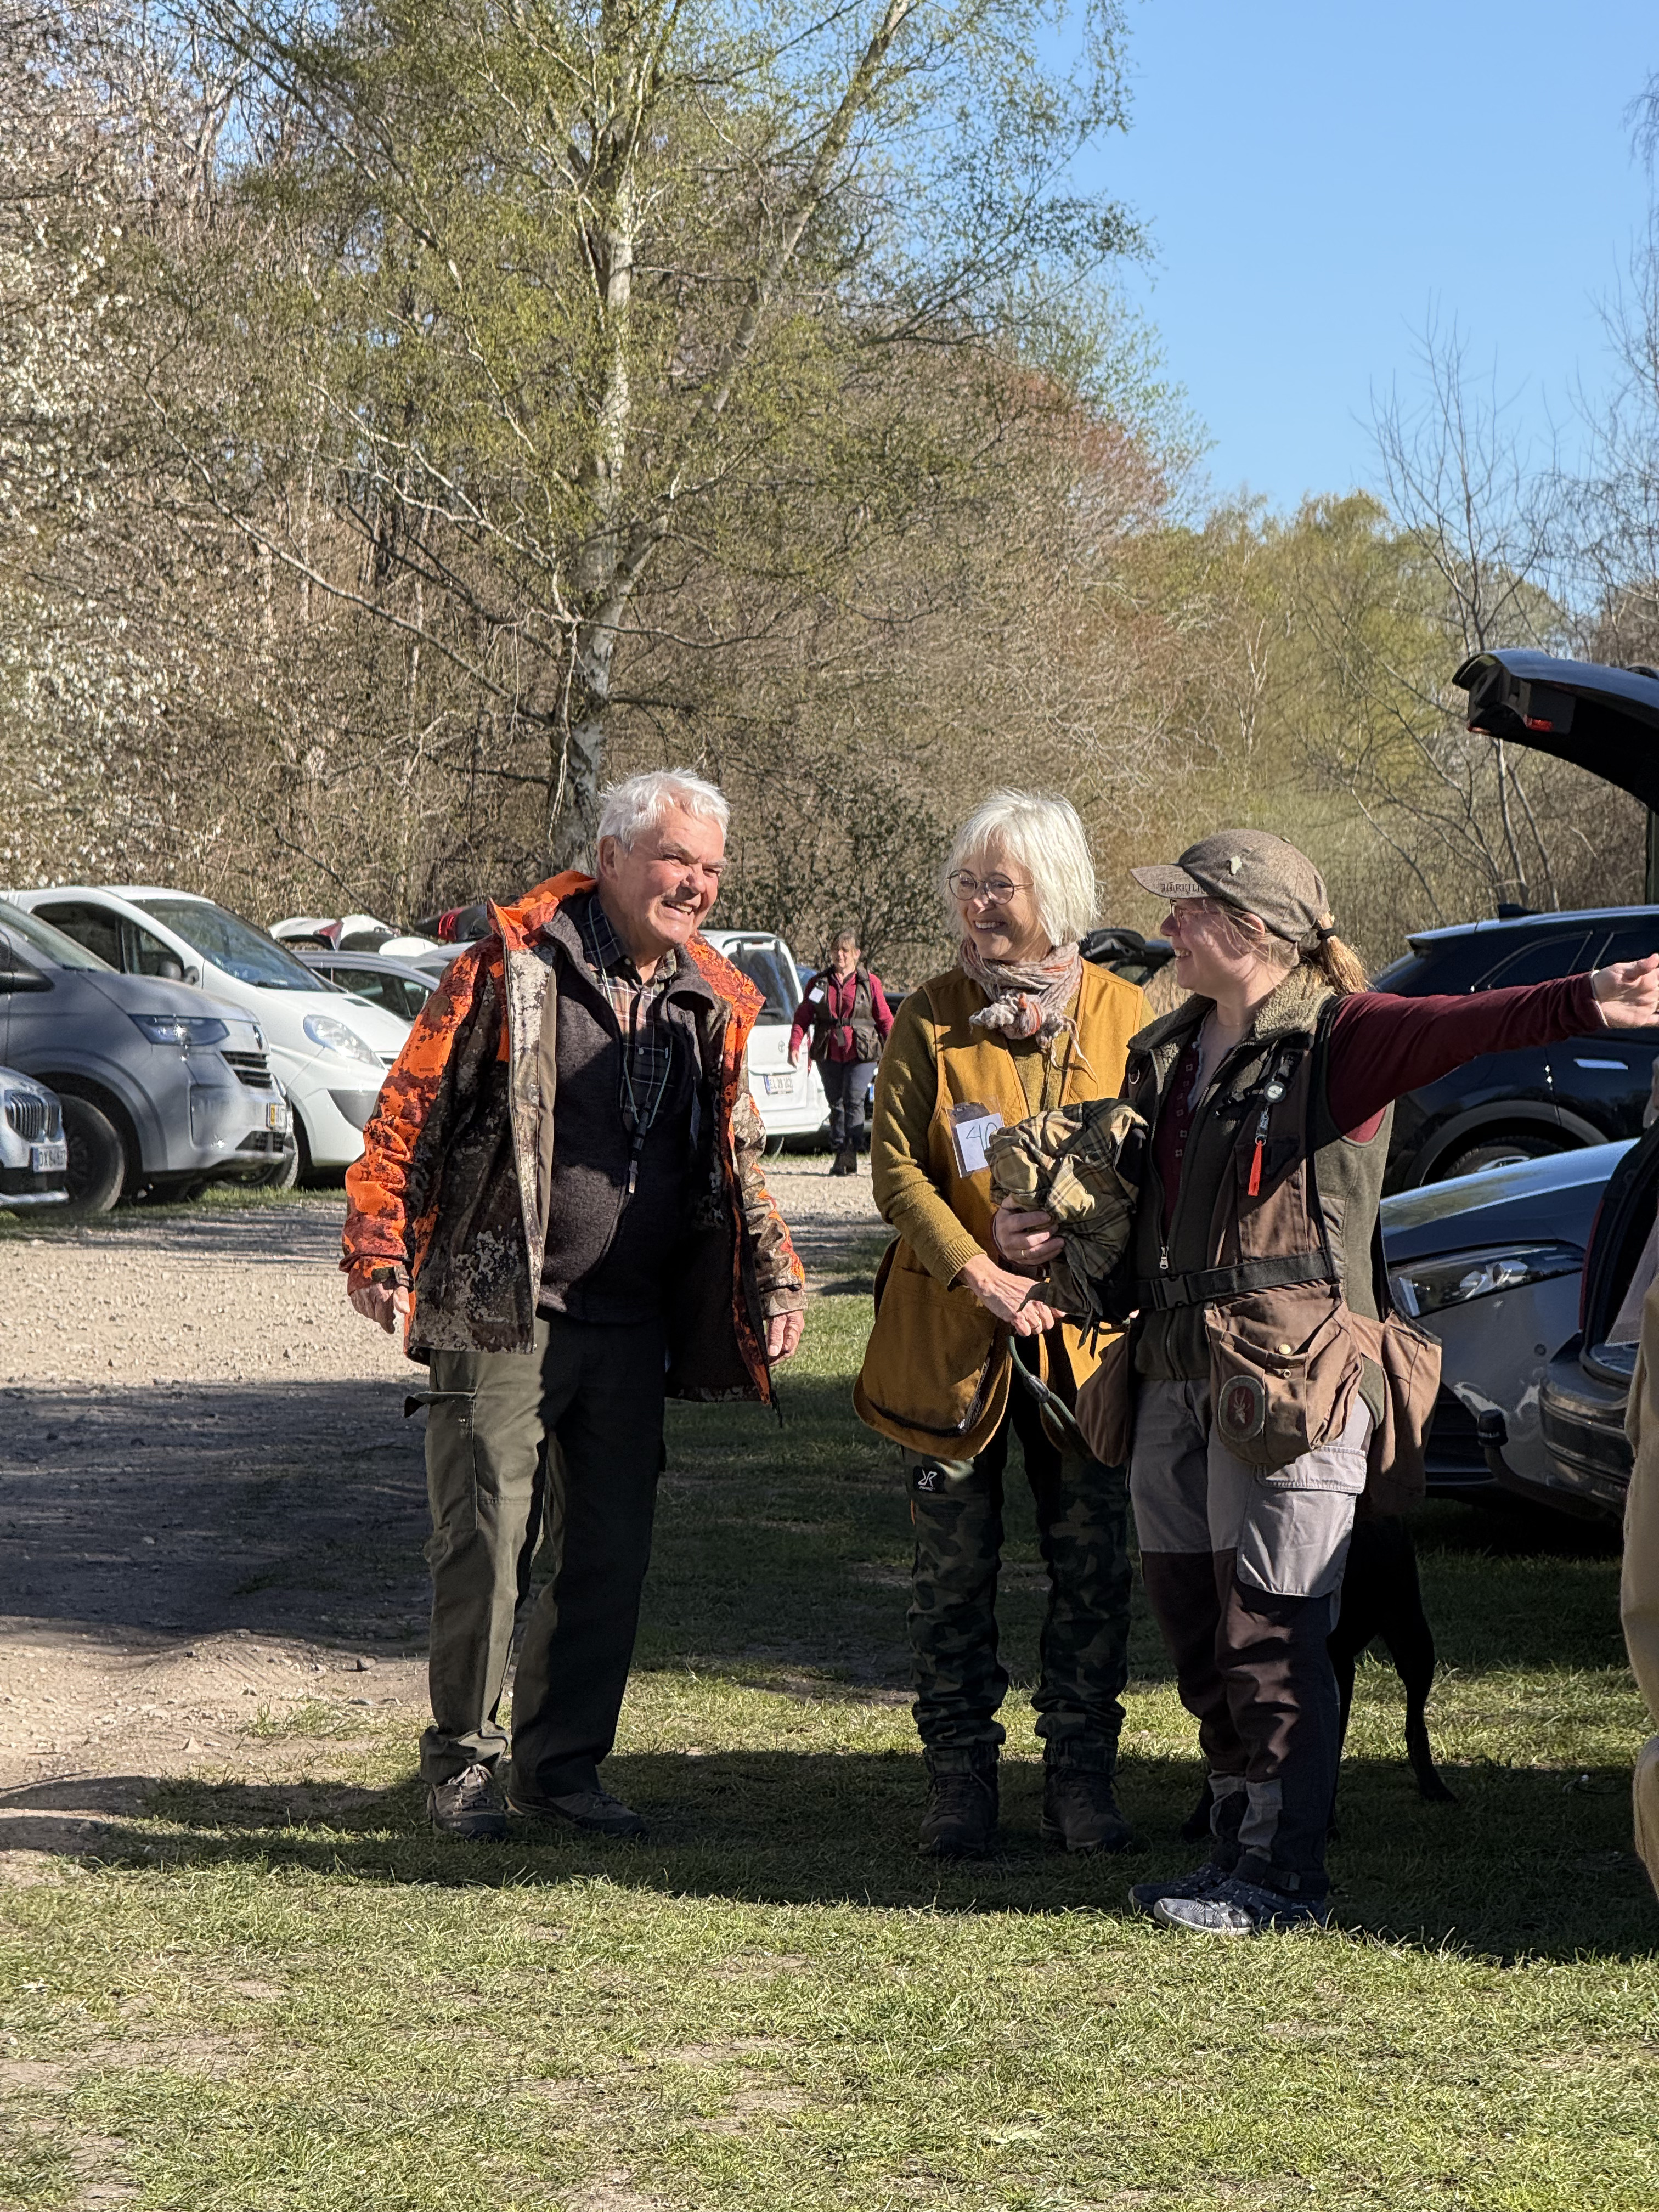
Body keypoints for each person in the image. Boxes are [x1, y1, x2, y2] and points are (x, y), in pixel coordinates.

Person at [997, 828, 1659, 1933]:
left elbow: (1467, 1022)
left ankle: (1277, 1881)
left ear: (1251, 929)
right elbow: (1135, 1211)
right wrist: (1040, 1235)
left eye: (1186, 912)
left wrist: (1589, 996)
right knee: (1196, 1624)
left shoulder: (1341, 1040)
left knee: (1271, 1627)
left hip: (1294, 1378)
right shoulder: (1170, 1050)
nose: (1165, 929)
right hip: (1170, 1371)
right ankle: (1230, 1853)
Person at [341, 769, 807, 1842]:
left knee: (608, 1553)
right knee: (486, 1538)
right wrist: (376, 1242)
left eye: (709, 868)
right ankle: (463, 1763)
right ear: (609, 857)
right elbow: (408, 1108)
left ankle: (561, 1770)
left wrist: (771, 1271)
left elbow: (734, 1153)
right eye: (674, 858)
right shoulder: (509, 964)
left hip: (632, 1320)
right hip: (499, 1308)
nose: (693, 884)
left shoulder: (711, 996)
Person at [857, 791, 1150, 1857]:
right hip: (953, 1337)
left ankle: (1080, 1780)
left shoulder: (1126, 1015)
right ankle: (958, 1782)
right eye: (966, 883)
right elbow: (897, 1172)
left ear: (1053, 892)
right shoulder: (928, 1015)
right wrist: (978, 1266)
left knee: (1094, 1570)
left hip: (1085, 1344)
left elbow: (1156, 1167)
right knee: (950, 1575)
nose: (977, 903)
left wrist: (1083, 1237)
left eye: (1000, 885)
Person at [788, 929, 894, 1176]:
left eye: (845, 950)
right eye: (836, 950)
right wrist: (795, 1044)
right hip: (829, 1051)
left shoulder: (870, 983)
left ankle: (851, 1151)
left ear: (856, 954)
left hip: (862, 1052)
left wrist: (895, 1048)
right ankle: (840, 1151)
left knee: (854, 1099)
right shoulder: (819, 984)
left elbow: (885, 1019)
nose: (840, 955)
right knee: (836, 1103)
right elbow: (803, 1016)